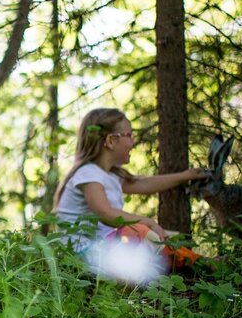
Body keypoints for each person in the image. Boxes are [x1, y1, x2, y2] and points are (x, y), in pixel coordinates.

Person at [53, 108, 207, 268]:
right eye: (129, 135)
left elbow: (145, 183)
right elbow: (105, 213)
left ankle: (195, 262)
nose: (133, 142)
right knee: (140, 232)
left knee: (167, 236)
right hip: (82, 252)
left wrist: (185, 176)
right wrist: (148, 223)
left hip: (101, 247)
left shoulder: (111, 175)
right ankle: (194, 264)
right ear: (111, 140)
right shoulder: (88, 173)